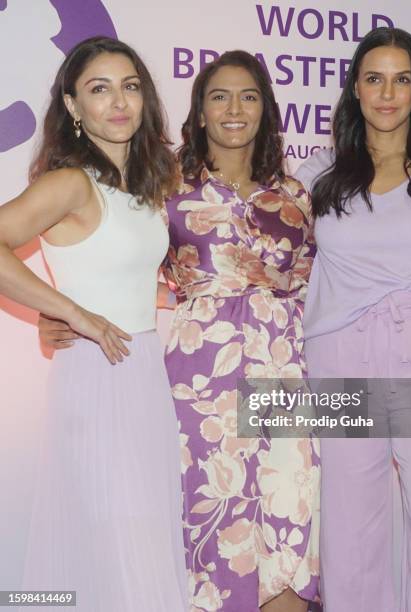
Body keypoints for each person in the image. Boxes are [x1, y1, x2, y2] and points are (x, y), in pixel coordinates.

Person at [40, 49, 321, 611]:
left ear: (266, 108)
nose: (234, 109)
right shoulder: (166, 186)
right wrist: (60, 312)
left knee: (291, 512)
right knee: (213, 517)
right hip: (201, 379)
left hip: (283, 373)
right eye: (219, 96)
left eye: (249, 96)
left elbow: (314, 285)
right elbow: (121, 260)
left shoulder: (296, 194)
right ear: (199, 112)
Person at [296, 27, 411, 612]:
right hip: (338, 361)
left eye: (401, 79)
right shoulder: (319, 171)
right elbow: (266, 260)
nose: (387, 93)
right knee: (351, 541)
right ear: (355, 87)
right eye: (374, 78)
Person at [0, 37, 188, 611]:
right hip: (97, 379)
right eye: (99, 89)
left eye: (130, 86)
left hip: (143, 377)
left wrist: (160, 291)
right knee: (114, 537)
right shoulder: (72, 181)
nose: (119, 102)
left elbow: (115, 267)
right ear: (73, 106)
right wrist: (68, 313)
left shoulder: (142, 186)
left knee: (142, 536)